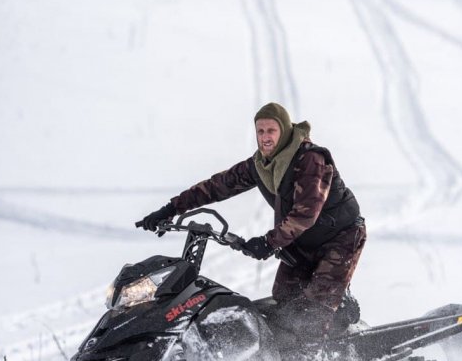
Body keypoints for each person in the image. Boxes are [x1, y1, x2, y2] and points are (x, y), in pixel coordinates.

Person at [136, 102, 366, 340]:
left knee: (315, 310)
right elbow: (218, 186)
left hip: (340, 237)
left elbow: (306, 213)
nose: (265, 137)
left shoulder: (310, 159)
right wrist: (170, 208)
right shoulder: (260, 165)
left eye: (271, 131)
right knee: (286, 296)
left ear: (285, 130)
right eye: (260, 131)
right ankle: (320, 327)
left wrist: (269, 242)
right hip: (303, 240)